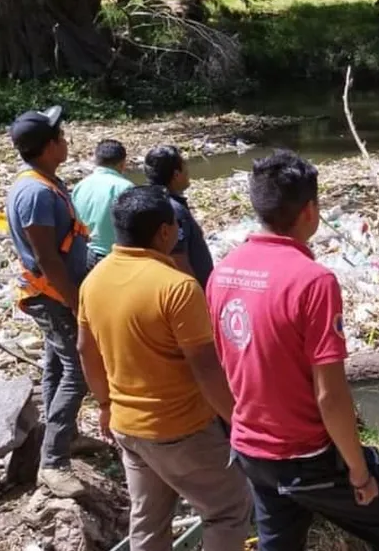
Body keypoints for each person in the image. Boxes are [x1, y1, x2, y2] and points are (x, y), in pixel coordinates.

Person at [207, 151, 379, 551]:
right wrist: (359, 473)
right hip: (306, 456)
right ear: (310, 211)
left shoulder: (224, 270)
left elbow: (224, 363)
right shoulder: (313, 281)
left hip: (250, 449)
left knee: (279, 543)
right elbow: (330, 394)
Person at [77, 186, 251, 551]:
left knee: (149, 524)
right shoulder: (177, 287)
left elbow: (85, 350)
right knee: (228, 510)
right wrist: (239, 423)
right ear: (164, 232)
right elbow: (205, 369)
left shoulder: (93, 281)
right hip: (180, 428)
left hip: (128, 428)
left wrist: (105, 405)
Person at [4, 106, 90, 498]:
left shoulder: (42, 181)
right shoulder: (36, 192)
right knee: (80, 371)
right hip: (53, 295)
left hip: (52, 294)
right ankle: (53, 463)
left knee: (56, 364)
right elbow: (46, 257)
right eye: (62, 137)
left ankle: (62, 436)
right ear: (49, 146)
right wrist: (75, 302)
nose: (67, 142)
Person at [144, 146, 213, 287]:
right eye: (185, 168)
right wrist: (195, 294)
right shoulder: (173, 210)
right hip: (187, 292)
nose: (188, 173)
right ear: (176, 175)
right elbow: (178, 259)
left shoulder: (149, 199)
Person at [72, 140, 134, 274]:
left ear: (96, 161)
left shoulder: (80, 186)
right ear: (123, 163)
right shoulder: (125, 187)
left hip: (84, 256)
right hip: (113, 258)